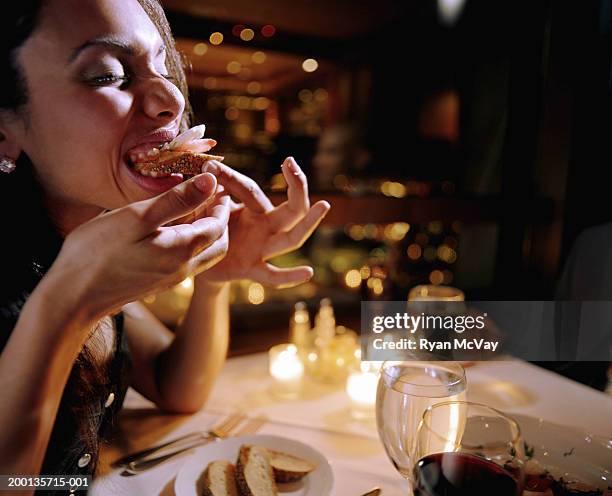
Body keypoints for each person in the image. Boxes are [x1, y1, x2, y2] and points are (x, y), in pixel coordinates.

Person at [0, 0, 330, 491]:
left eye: (161, 66)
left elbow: (178, 388)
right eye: (107, 75)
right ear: (5, 129)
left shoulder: (80, 250)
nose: (171, 100)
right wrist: (67, 305)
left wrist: (214, 279)